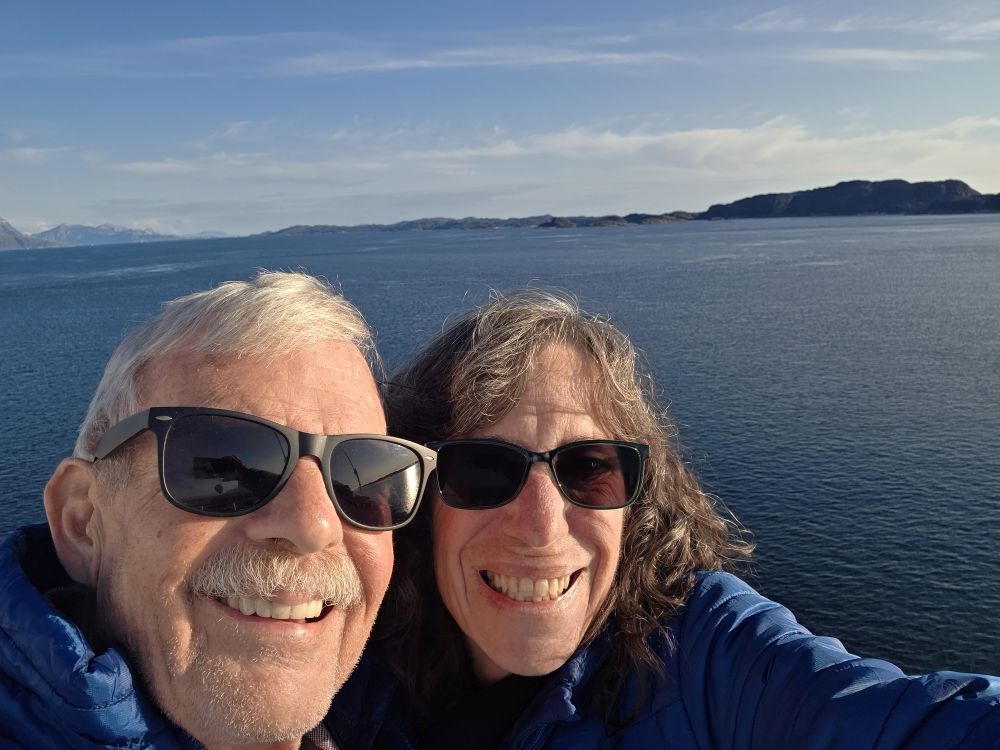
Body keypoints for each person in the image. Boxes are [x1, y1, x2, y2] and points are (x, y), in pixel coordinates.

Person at [329, 289, 1000, 749]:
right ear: (416, 498)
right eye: (482, 470)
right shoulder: (351, 655)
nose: (541, 526)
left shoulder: (707, 658)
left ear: (638, 501)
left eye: (589, 468)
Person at [0, 271, 437, 749]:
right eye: (226, 466)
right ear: (83, 521)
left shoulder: (419, 712)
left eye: (363, 477)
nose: (313, 525)